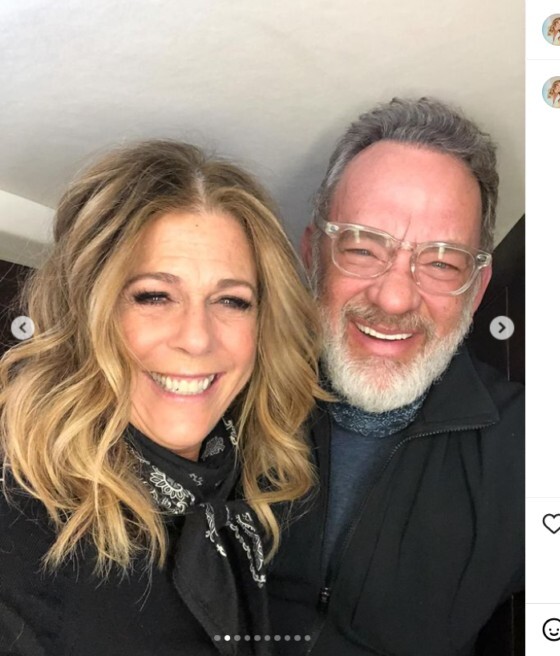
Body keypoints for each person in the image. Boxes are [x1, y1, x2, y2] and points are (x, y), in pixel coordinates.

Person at [0, 140, 324, 656]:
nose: (196, 337)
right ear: (87, 312)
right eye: (154, 295)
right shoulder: (20, 529)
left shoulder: (240, 483)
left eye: (231, 300)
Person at [268, 98, 524, 656]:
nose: (394, 298)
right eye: (363, 248)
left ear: (477, 290)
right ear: (313, 255)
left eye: (441, 263)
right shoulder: (224, 394)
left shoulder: (527, 449)